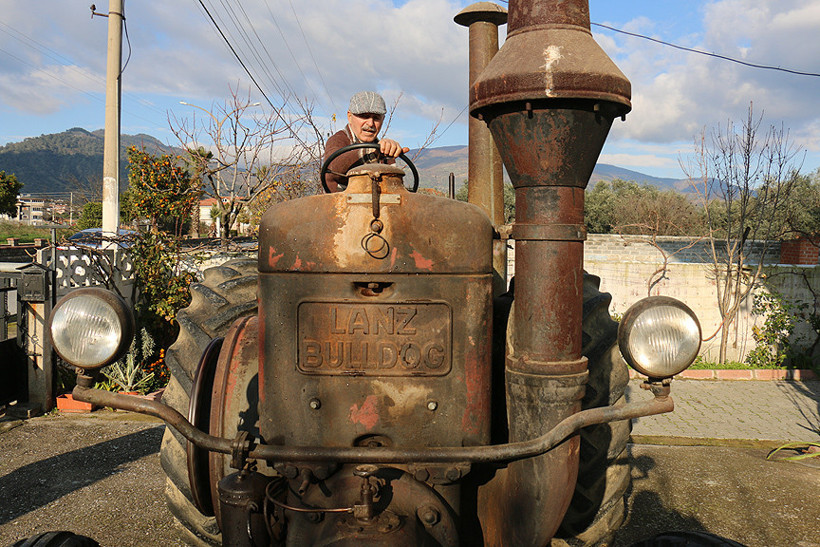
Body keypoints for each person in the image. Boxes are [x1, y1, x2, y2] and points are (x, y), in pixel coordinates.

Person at [322, 91, 409, 192]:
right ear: (350, 117)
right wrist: (372, 152)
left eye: (376, 118)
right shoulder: (338, 140)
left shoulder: (384, 151)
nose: (371, 123)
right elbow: (333, 166)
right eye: (364, 116)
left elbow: (394, 190)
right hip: (339, 205)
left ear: (383, 120)